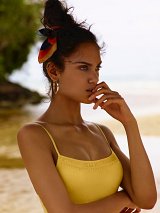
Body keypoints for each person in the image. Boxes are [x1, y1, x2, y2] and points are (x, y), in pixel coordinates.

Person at [17, 0, 157, 212]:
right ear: (54, 71)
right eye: (83, 68)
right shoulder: (34, 135)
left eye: (96, 68)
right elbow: (63, 212)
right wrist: (123, 200)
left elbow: (146, 200)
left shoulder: (102, 133)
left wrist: (130, 124)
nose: (94, 78)